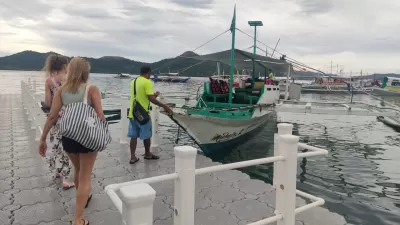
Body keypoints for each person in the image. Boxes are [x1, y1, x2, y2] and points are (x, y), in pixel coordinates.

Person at [39, 57, 104, 225]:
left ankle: (82, 200)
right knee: (85, 177)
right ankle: (78, 219)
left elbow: (52, 116)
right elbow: (100, 116)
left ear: (71, 71)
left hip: (68, 137)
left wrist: (43, 138)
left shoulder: (62, 90)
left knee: (78, 170)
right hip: (87, 138)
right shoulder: (92, 89)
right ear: (86, 72)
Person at [128, 66, 173, 164]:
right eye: (150, 74)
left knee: (133, 136)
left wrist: (154, 95)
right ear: (148, 72)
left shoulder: (133, 82)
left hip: (132, 113)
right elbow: (151, 99)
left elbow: (141, 95)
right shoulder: (147, 82)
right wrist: (164, 106)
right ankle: (148, 154)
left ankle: (132, 157)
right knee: (147, 135)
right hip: (143, 114)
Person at [43, 55, 75, 190]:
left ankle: (56, 171)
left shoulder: (49, 81)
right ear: (65, 66)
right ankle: (66, 179)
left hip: (55, 118)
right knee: (66, 147)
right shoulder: (70, 81)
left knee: (56, 144)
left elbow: (48, 103)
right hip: (68, 119)